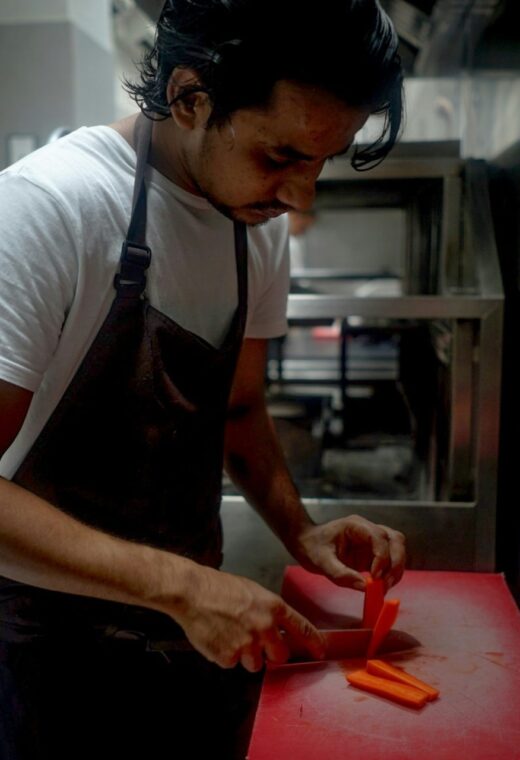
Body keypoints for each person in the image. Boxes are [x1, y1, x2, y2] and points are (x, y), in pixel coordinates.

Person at [0, 0, 406, 757]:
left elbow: (240, 411)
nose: (300, 196)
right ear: (191, 98)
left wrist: (302, 530)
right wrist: (182, 587)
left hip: (191, 653)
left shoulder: (257, 228)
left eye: (322, 161)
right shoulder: (51, 208)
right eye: (280, 156)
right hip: (40, 668)